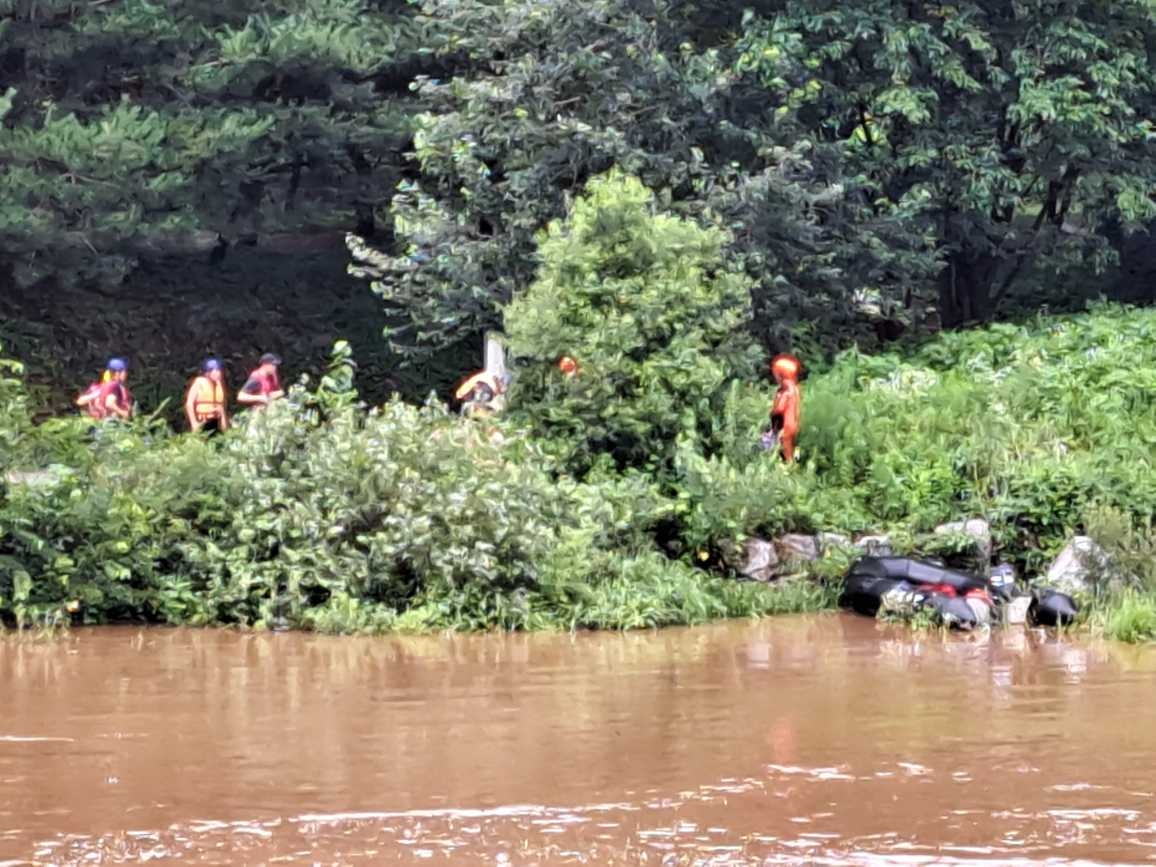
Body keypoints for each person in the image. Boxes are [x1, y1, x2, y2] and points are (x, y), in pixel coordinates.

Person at [769, 354, 802, 462]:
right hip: (794, 423)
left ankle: (789, 465)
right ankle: (796, 461)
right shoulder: (796, 389)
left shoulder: (786, 392)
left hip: (786, 424)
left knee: (785, 446)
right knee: (792, 444)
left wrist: (773, 410)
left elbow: (779, 409)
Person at [185, 358, 229, 434]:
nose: (218, 374)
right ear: (207, 373)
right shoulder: (199, 383)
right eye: (215, 371)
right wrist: (194, 423)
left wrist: (224, 423)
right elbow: (189, 404)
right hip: (202, 421)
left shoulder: (218, 384)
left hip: (216, 421)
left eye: (219, 371)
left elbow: (221, 407)